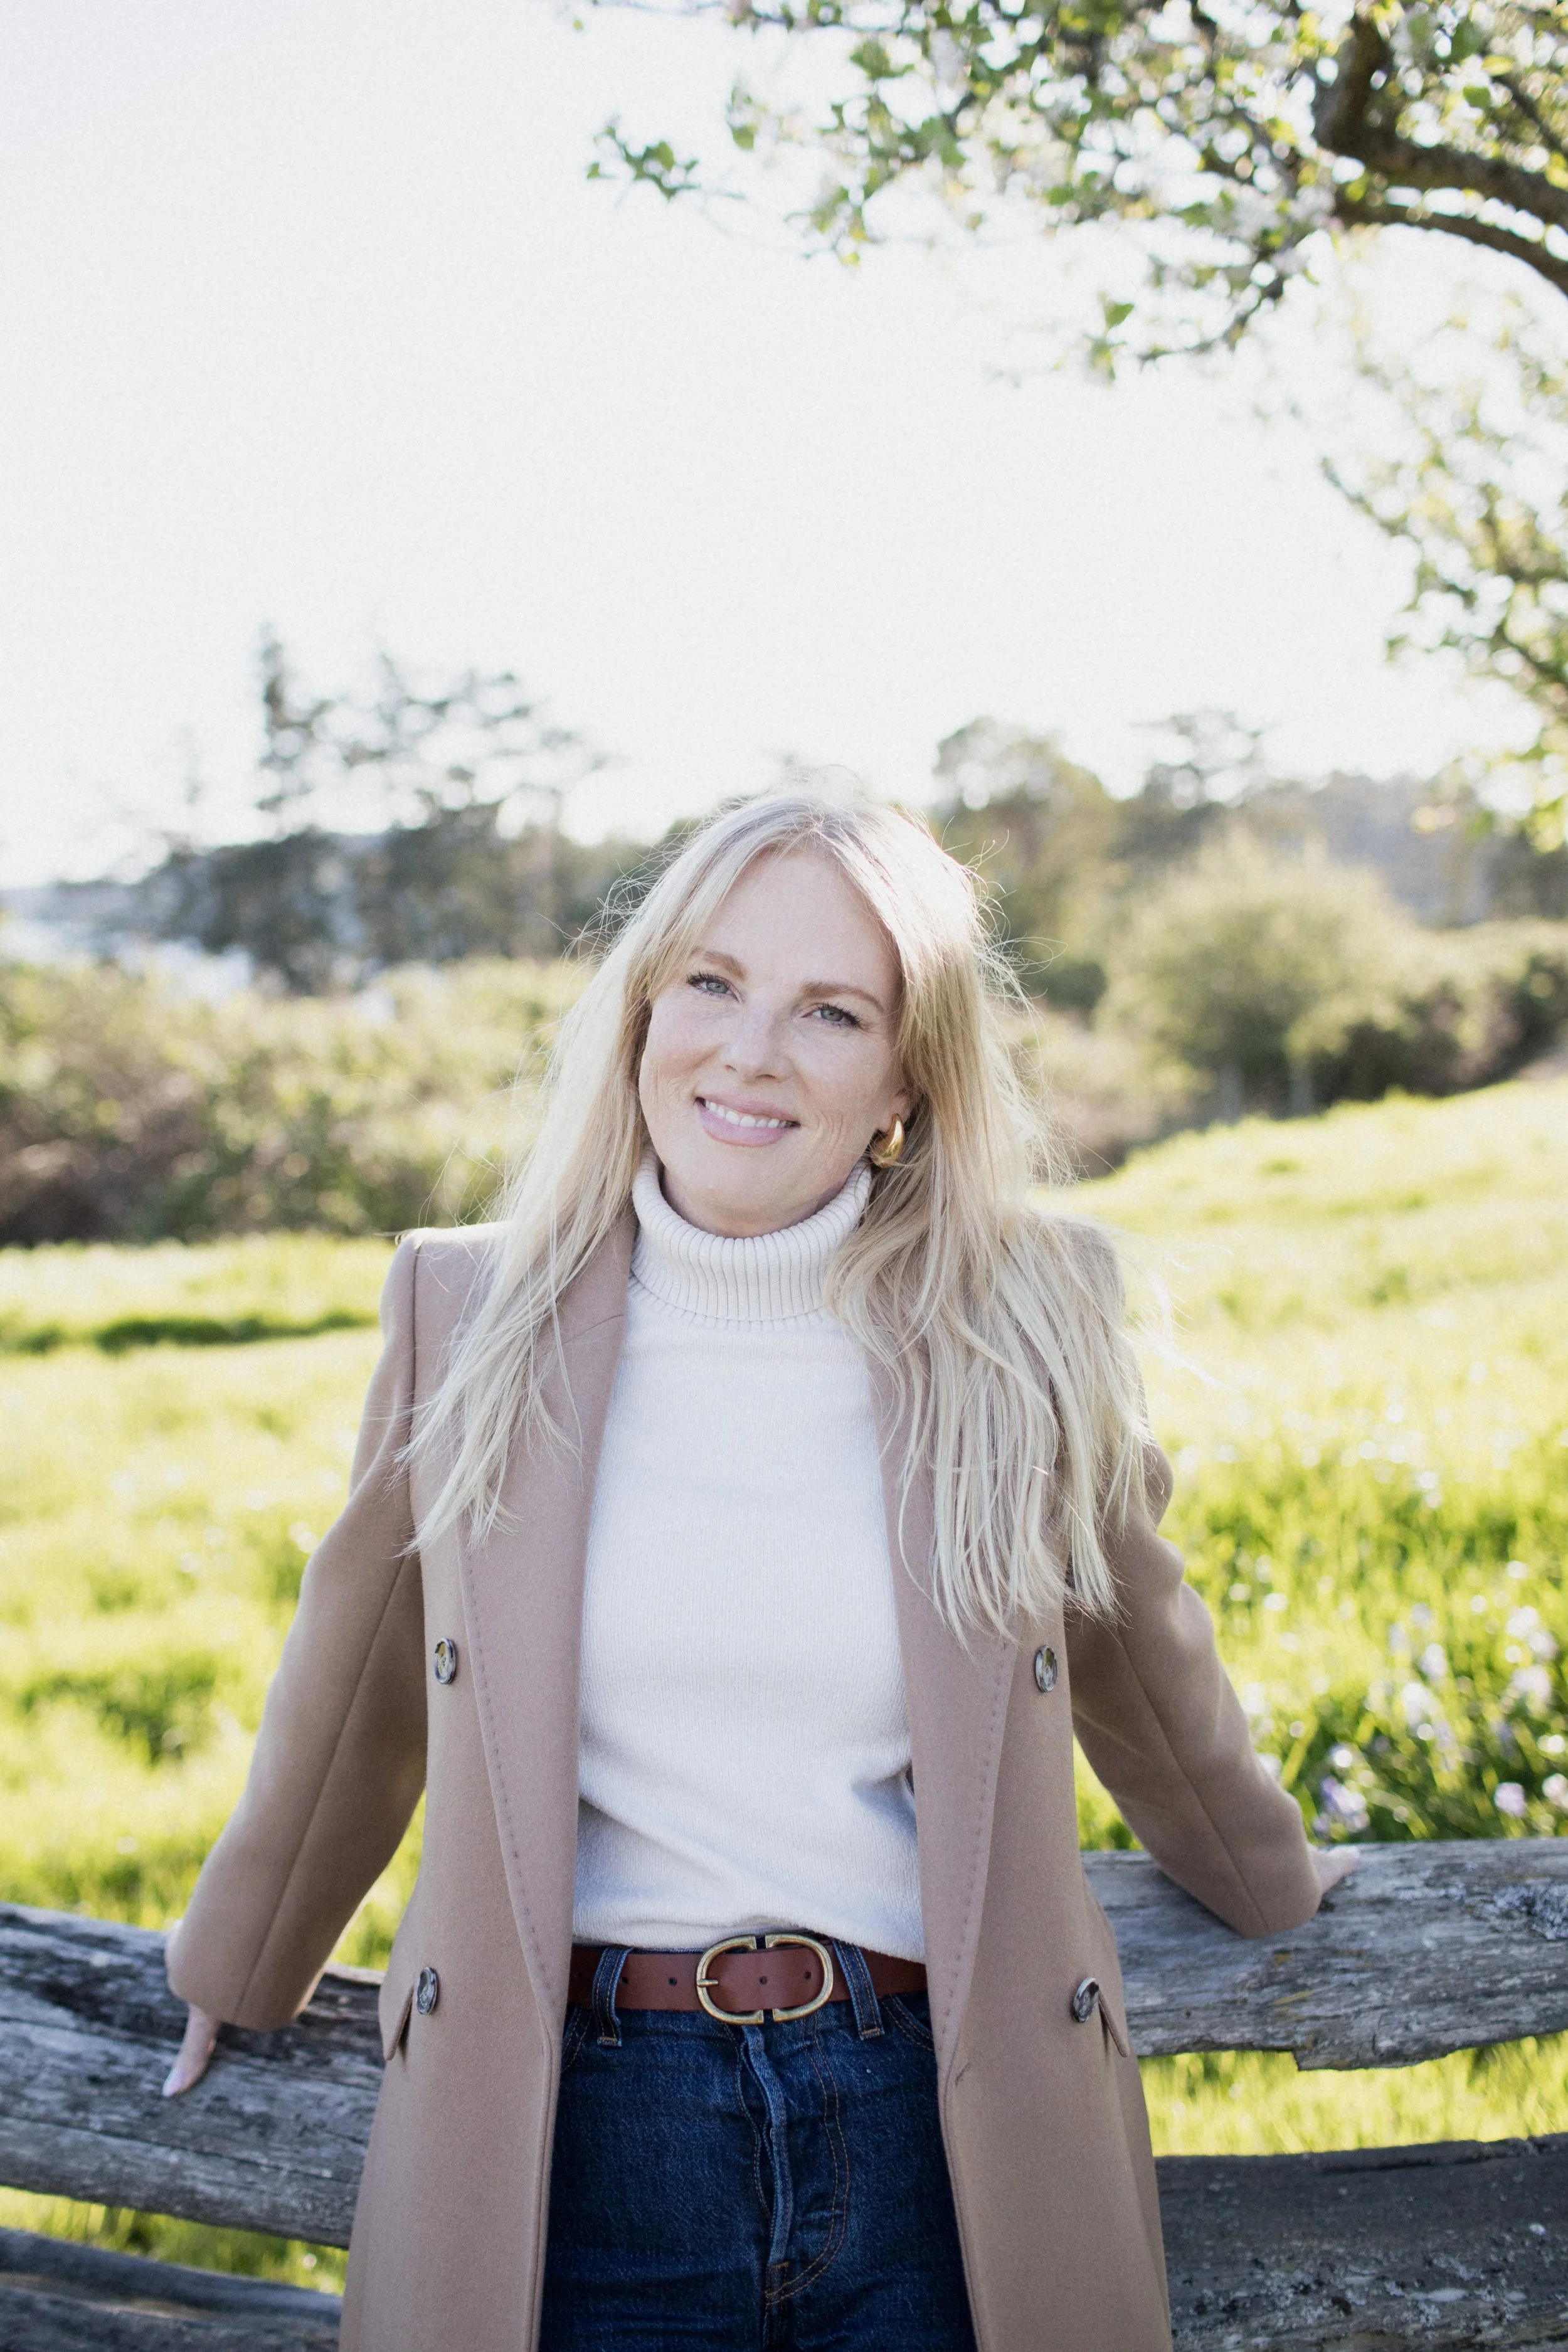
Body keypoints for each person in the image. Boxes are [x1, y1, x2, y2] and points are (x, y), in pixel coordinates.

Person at [164, 789, 1355, 2352]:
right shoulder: (467, 1310)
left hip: (933, 2113)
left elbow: (1139, 1648)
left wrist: (1264, 1875)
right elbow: (362, 1664)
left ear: (903, 1083)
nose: (747, 1052)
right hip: (580, 2125)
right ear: (644, 1005)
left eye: (829, 1010)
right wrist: (242, 1961)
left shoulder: (1026, 1318)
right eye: (711, 983)